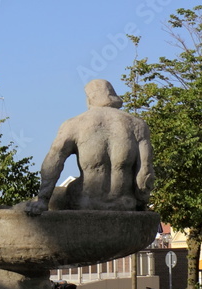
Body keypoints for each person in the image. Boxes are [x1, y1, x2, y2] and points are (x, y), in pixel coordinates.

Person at [26, 79, 154, 215]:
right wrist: (141, 205)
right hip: (124, 204)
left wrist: (43, 200)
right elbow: (144, 172)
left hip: (84, 202)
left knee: (56, 195)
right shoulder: (137, 125)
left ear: (90, 99)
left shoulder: (74, 124)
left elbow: (53, 162)